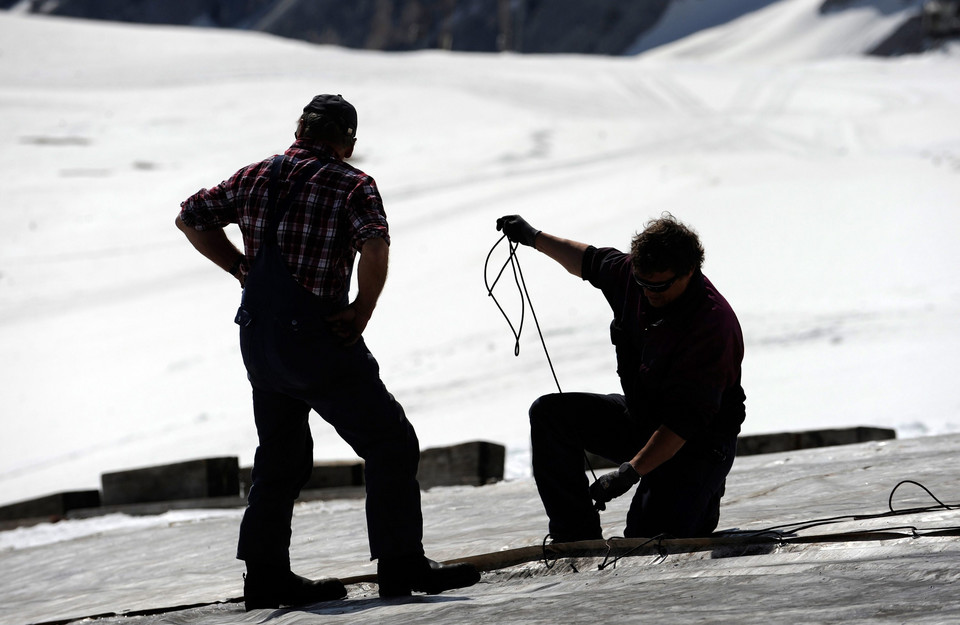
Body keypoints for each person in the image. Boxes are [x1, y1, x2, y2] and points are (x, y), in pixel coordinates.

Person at [176, 94, 479, 610]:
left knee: (280, 456)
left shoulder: (254, 175)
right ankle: (401, 562)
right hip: (316, 339)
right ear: (348, 141)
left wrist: (238, 268)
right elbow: (375, 245)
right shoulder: (352, 183)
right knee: (390, 441)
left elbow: (190, 218)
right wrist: (362, 308)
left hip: (260, 340)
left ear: (300, 129)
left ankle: (266, 576)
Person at [495, 213, 745, 542]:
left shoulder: (711, 326)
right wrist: (532, 236)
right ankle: (575, 535)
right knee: (550, 414)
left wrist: (628, 473)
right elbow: (587, 260)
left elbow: (684, 423)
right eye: (643, 283)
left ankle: (700, 496)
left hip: (696, 441)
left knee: (647, 540)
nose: (649, 292)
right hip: (643, 418)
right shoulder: (632, 277)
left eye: (660, 285)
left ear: (689, 271)